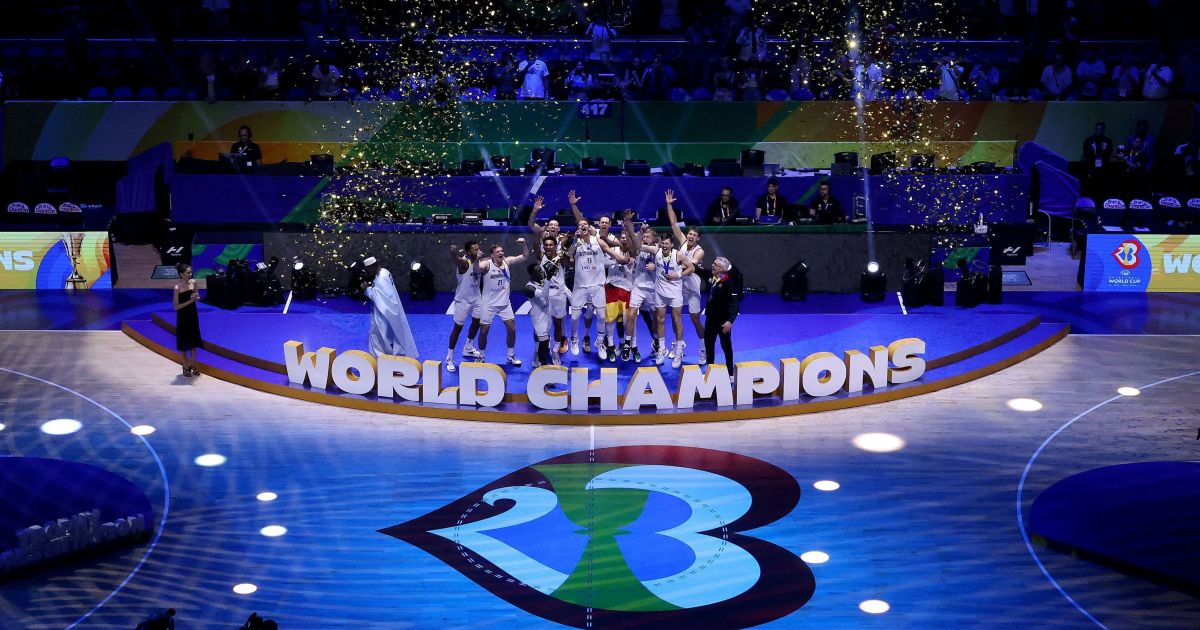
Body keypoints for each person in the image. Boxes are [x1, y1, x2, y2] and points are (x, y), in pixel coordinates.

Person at [637, 227, 695, 368]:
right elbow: (638, 246)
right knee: (660, 320)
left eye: (667, 243)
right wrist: (641, 232)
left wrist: (678, 275)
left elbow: (691, 268)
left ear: (672, 244)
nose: (664, 246)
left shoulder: (678, 255)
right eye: (662, 243)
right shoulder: (656, 251)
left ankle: (679, 351)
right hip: (660, 293)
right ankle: (661, 349)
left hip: (675, 293)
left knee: (676, 320)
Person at [664, 190, 706, 363]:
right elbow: (674, 222)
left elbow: (692, 264)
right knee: (675, 317)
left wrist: (675, 269)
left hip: (692, 287)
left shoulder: (700, 251)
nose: (691, 236)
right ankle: (678, 345)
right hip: (679, 287)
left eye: (694, 235)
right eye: (689, 233)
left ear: (698, 238)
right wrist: (669, 205)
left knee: (695, 319)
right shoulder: (682, 242)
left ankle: (703, 348)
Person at [473, 240, 529, 365]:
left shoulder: (506, 262)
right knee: (484, 331)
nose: (501, 253)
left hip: (504, 304)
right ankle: (481, 355)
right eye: (497, 251)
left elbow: (525, 256)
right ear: (492, 255)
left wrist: (524, 244)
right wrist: (477, 259)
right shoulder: (486, 264)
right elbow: (476, 269)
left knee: (512, 330)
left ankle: (511, 355)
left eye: (502, 251)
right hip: (488, 305)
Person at [527, 196, 569, 353]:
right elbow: (531, 225)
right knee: (540, 322)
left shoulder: (563, 243)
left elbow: (570, 260)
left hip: (559, 290)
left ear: (558, 229)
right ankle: (540, 346)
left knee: (559, 321)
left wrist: (566, 247)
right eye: (550, 224)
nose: (552, 227)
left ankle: (559, 344)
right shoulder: (543, 242)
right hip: (544, 291)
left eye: (555, 225)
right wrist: (535, 210)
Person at [622, 212, 661, 362]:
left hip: (653, 289)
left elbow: (664, 264)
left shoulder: (657, 249)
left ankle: (657, 341)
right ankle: (627, 344)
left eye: (647, 236)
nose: (644, 238)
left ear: (654, 239)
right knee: (631, 314)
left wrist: (656, 265)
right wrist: (630, 223)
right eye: (643, 236)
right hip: (638, 286)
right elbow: (635, 242)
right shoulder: (639, 249)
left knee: (655, 319)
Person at [362, 256, 419, 359]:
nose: (368, 272)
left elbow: (380, 298)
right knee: (393, 335)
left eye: (368, 269)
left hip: (384, 313)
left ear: (372, 267)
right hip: (388, 311)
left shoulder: (381, 279)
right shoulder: (384, 271)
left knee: (380, 335)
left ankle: (383, 359)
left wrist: (367, 289)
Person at [444, 241, 483, 373]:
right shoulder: (464, 263)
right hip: (463, 301)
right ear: (468, 252)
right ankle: (449, 358)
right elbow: (456, 259)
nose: (478, 251)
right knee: (458, 328)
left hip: (476, 298)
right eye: (475, 249)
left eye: (478, 248)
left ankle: (468, 347)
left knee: (477, 322)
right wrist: (453, 252)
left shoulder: (479, 261)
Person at [705, 256, 741, 380]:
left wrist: (730, 321)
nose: (712, 265)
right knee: (709, 345)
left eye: (715, 264)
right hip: (710, 319)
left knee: (726, 346)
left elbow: (735, 305)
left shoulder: (729, 282)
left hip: (723, 322)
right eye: (713, 263)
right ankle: (710, 371)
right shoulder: (711, 277)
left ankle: (730, 373)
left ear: (722, 269)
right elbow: (697, 270)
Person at [524, 263, 556, 368]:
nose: (542, 272)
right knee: (544, 343)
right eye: (538, 270)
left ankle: (537, 352)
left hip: (547, 314)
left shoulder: (542, 281)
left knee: (542, 338)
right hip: (539, 318)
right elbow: (543, 295)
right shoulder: (529, 288)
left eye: (541, 269)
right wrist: (548, 279)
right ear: (532, 274)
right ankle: (543, 367)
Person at [173, 264, 201, 377]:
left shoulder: (194, 282)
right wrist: (190, 301)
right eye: (188, 273)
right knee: (184, 341)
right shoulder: (177, 287)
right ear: (181, 274)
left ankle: (193, 363)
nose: (190, 274)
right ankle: (185, 365)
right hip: (183, 316)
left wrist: (196, 298)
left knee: (193, 339)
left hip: (193, 315)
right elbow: (176, 307)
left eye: (190, 272)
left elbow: (197, 297)